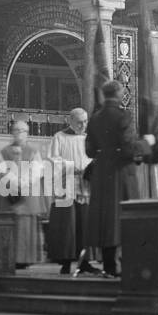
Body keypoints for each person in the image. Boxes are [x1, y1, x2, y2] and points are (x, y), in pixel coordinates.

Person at [85, 81, 154, 278]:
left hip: (101, 172)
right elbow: (128, 148)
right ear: (120, 94)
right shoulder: (124, 116)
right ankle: (125, 265)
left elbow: (89, 150)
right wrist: (146, 144)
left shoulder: (95, 118)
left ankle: (109, 266)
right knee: (125, 215)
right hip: (121, 172)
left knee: (106, 218)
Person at [47, 108, 97, 276]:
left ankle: (84, 262)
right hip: (66, 184)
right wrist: (71, 167)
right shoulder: (59, 137)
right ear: (71, 122)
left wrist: (91, 169)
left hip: (85, 184)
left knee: (84, 224)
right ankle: (66, 262)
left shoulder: (90, 138)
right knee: (67, 225)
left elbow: (95, 157)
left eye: (85, 121)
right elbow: (53, 158)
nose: (83, 125)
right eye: (79, 122)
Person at [0, 120, 47, 270]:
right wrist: (14, 182)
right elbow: (1, 170)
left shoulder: (33, 151)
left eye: (23, 131)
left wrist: (24, 183)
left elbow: (37, 170)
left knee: (26, 225)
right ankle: (11, 258)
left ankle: (27, 258)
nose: (19, 133)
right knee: (12, 224)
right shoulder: (4, 151)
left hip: (28, 193)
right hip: (10, 192)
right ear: (12, 132)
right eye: (16, 130)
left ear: (27, 133)